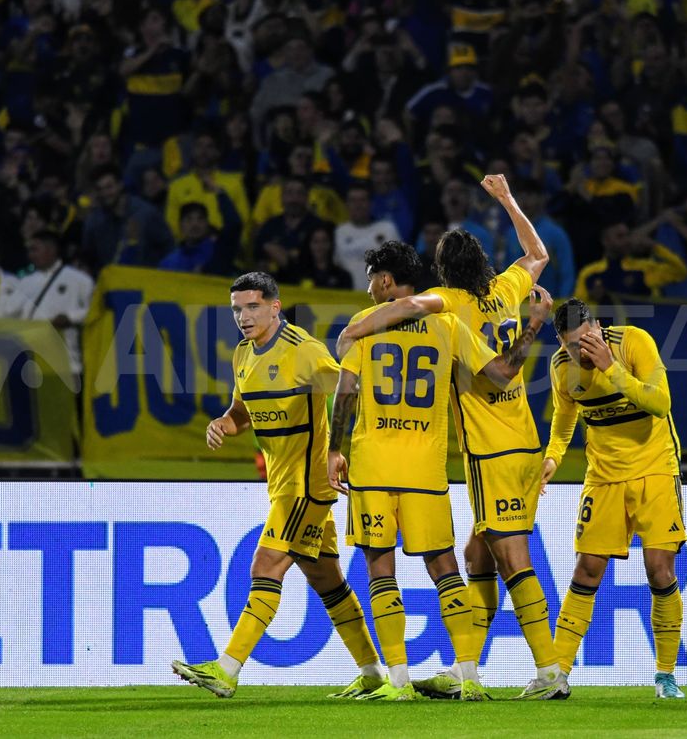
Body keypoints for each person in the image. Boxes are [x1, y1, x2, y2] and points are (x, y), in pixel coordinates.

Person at [337, 175, 567, 700]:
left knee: (512, 559)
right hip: (524, 440)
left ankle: (551, 671)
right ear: (485, 262)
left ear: (441, 271)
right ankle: (466, 669)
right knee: (475, 556)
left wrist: (360, 327)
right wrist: (508, 199)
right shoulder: (506, 288)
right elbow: (538, 252)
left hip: (490, 448)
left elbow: (410, 309)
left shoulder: (446, 302)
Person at [172, 272, 384, 700]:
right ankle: (373, 672)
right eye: (236, 309)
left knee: (265, 566)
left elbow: (349, 389)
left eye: (251, 307)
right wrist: (222, 424)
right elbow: (241, 412)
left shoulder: (303, 351)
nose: (243, 317)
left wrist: (336, 448)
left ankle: (227, 668)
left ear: (274, 305)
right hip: (282, 484)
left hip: (308, 486)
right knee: (328, 582)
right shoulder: (243, 356)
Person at [541, 298, 687, 700]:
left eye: (588, 339)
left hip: (655, 468)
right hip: (603, 476)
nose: (582, 350)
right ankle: (558, 675)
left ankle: (666, 675)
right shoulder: (560, 367)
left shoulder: (634, 343)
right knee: (587, 570)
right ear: (560, 343)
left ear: (599, 327)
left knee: (660, 570)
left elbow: (660, 403)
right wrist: (552, 457)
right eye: (573, 346)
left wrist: (611, 367)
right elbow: (565, 414)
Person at [18, 230, 95, 379]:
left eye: (35, 249)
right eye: (29, 250)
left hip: (69, 364)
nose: (31, 255)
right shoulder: (23, 283)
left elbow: (95, 311)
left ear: (51, 249)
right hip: (31, 363)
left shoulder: (80, 280)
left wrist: (70, 318)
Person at [81, 163, 173, 274]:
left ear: (120, 185)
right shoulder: (93, 223)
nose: (105, 193)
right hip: (112, 287)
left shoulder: (146, 213)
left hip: (146, 285)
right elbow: (89, 260)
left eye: (109, 187)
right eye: (100, 189)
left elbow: (168, 248)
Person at [575, 223, 687, 302]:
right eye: (620, 236)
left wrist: (655, 247)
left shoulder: (643, 268)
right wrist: (591, 298)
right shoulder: (589, 272)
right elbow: (576, 311)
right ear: (605, 241)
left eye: (628, 235)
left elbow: (680, 271)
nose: (626, 240)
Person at [334, 183, 399, 288]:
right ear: (346, 204)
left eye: (362, 200)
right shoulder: (339, 232)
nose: (358, 205)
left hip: (382, 299)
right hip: (347, 299)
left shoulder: (388, 229)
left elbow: (401, 266)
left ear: (371, 203)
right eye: (353, 201)